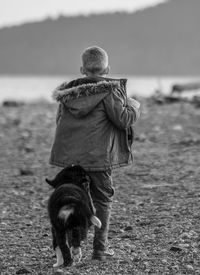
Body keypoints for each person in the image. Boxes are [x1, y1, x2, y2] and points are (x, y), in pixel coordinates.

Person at [49, 46, 140, 260]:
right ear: (107, 69)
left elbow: (59, 122)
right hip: (98, 158)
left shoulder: (68, 94)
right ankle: (99, 249)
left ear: (82, 69)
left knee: (72, 201)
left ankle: (74, 245)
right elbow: (123, 119)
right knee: (102, 201)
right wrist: (134, 106)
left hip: (71, 160)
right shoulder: (109, 90)